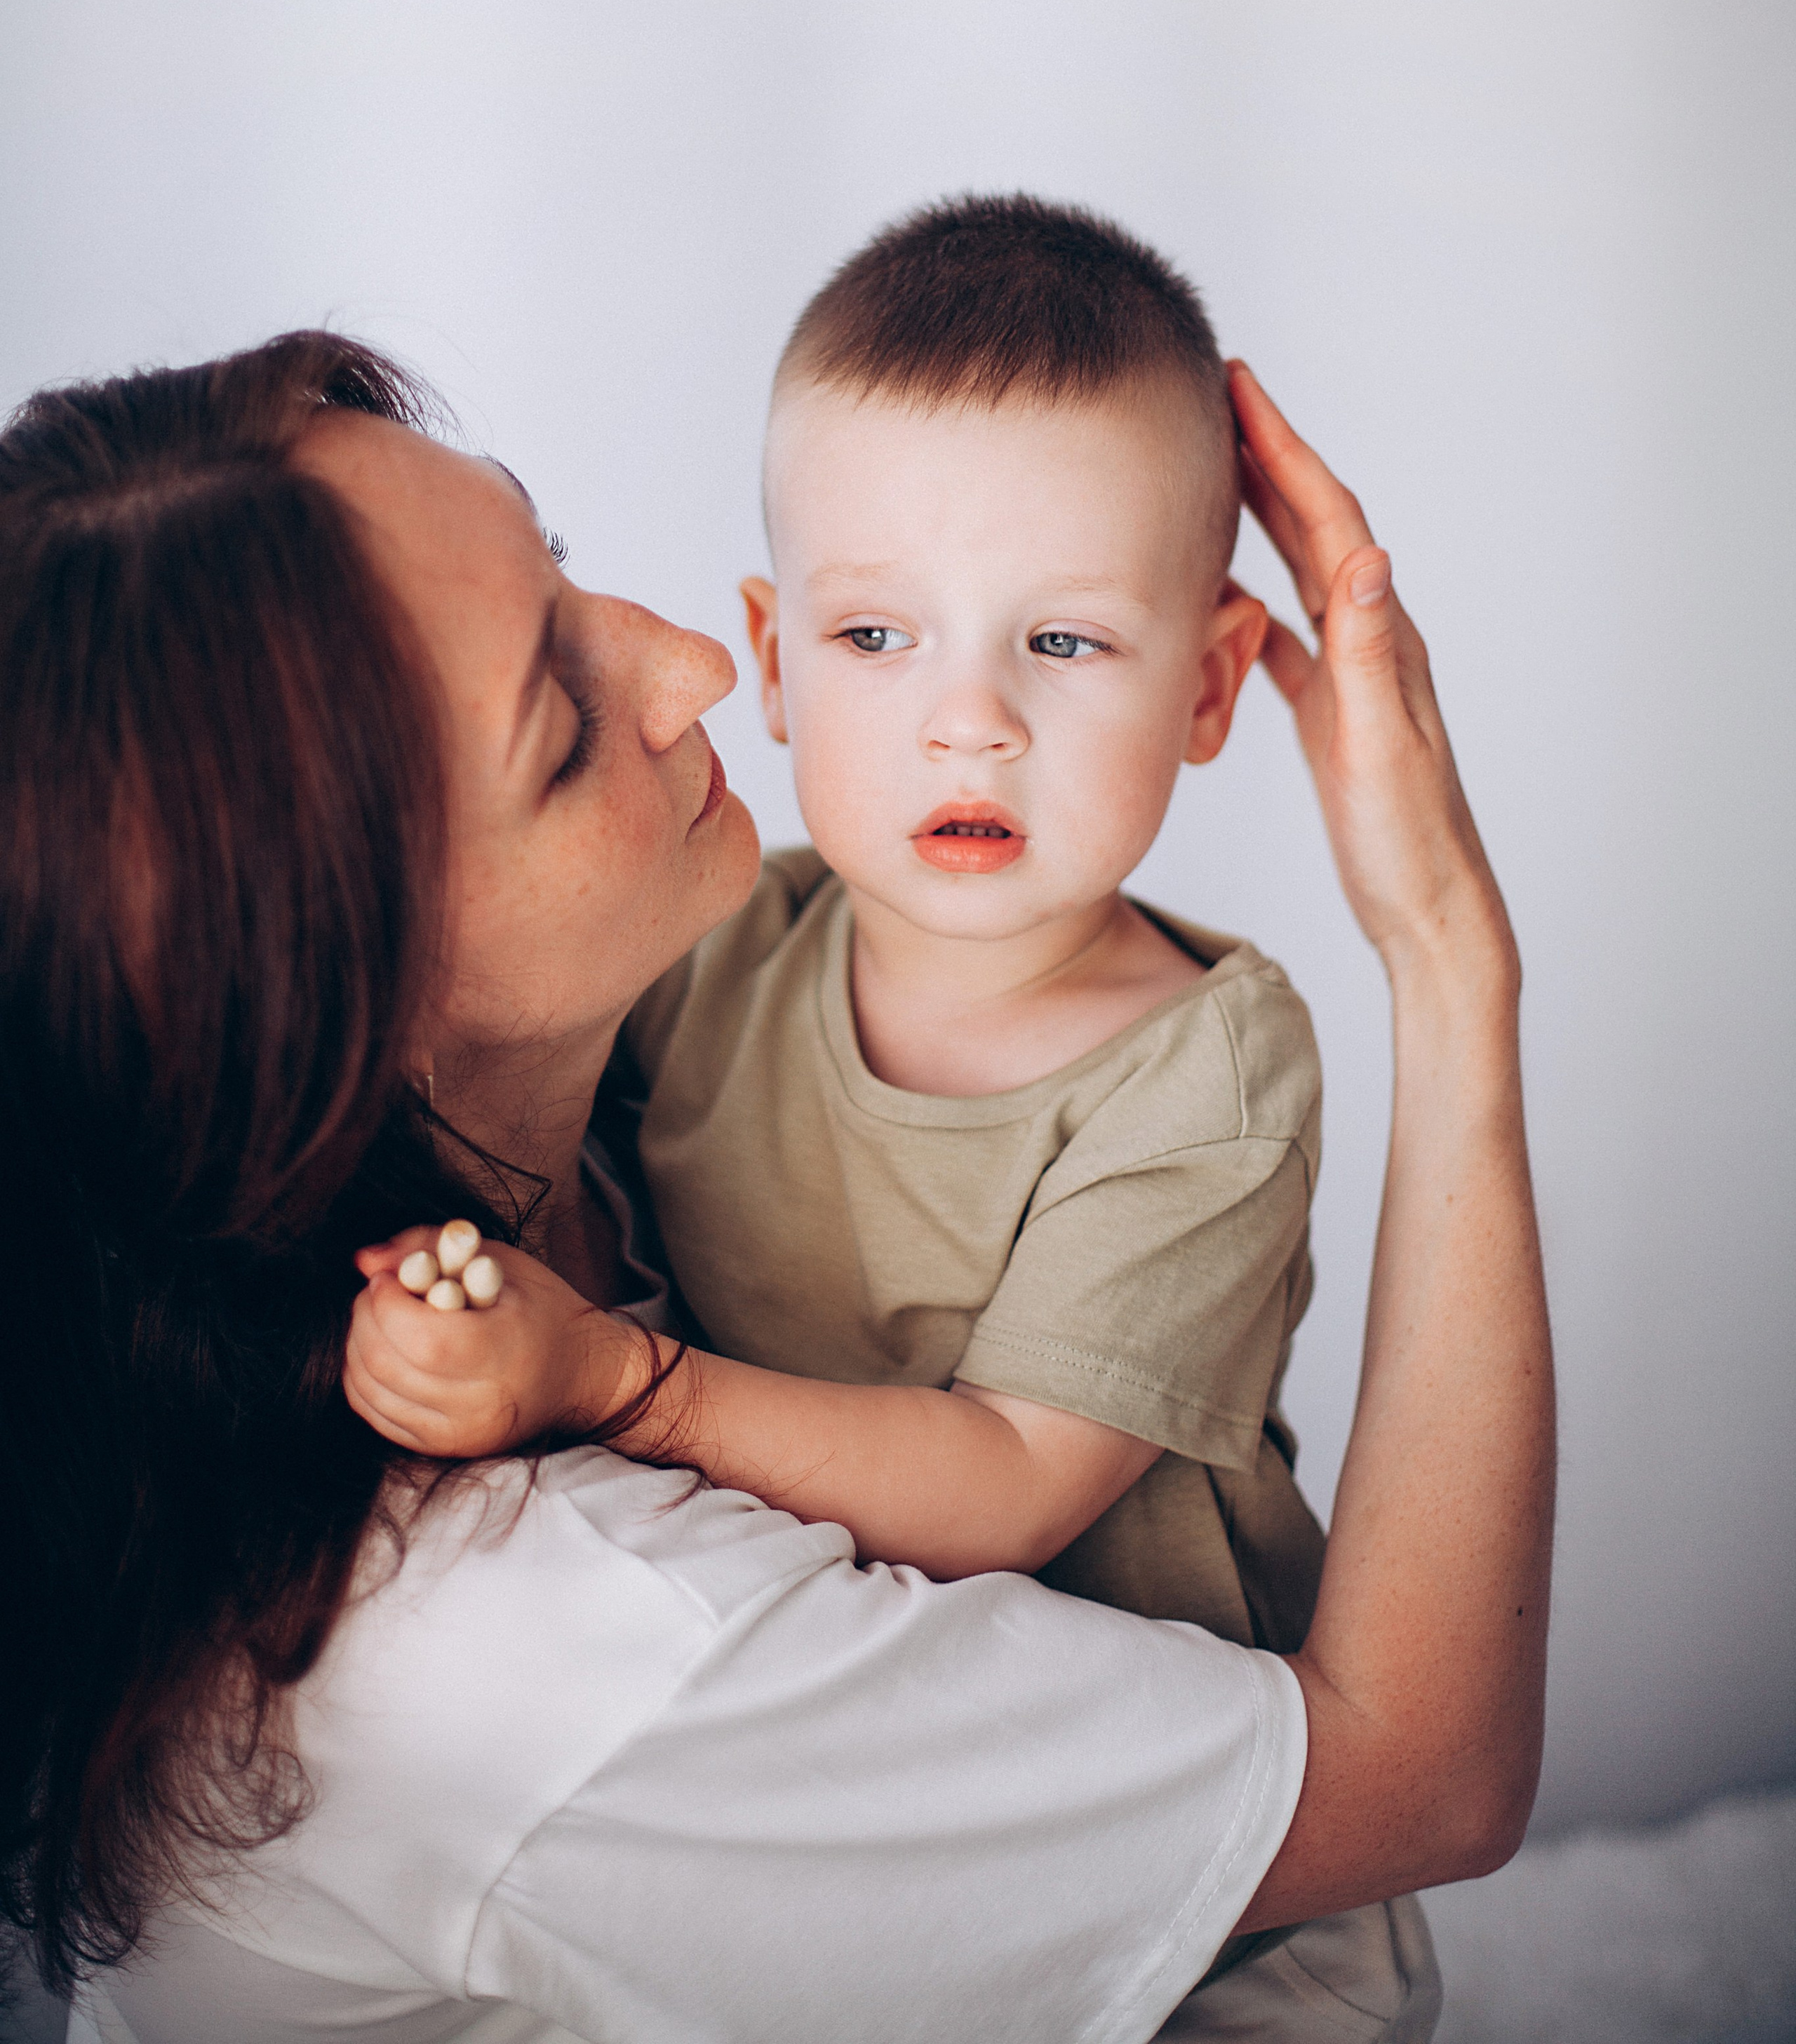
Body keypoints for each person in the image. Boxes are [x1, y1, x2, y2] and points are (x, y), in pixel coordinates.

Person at [0, 329, 1551, 2043]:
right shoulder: (528, 1649)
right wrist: (1447, 957)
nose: (691, 666)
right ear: (333, 1001)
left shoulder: (595, 1107)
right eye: (562, 726)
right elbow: (1424, 1779)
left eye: (565, 567)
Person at [344, 195, 1418, 2023]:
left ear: (1218, 681)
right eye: (876, 638)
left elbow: (1003, 1484)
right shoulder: (721, 951)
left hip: (1208, 1889)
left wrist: (615, 1380)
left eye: (1063, 645)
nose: (969, 722)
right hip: (872, 1839)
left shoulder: (1205, 1066)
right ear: (771, 656)